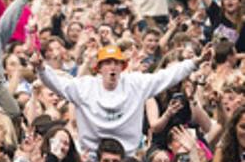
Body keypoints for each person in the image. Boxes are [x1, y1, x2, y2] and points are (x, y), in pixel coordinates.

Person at [32, 45, 212, 155]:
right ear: (99, 68)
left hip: (129, 155)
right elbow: (58, 84)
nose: (112, 67)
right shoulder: (84, 86)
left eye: (116, 63)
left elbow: (165, 77)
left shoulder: (135, 83)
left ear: (121, 67)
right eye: (107, 63)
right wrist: (41, 68)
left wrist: (195, 63)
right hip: (94, 155)